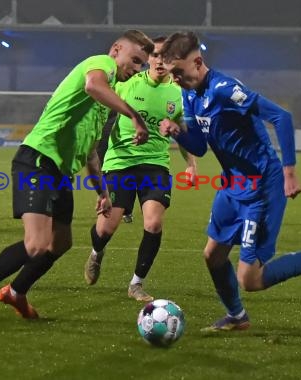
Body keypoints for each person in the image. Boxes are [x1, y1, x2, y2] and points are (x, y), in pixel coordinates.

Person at [158, 31, 301, 331]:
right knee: (213, 255)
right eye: (172, 74)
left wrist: (289, 172)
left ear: (198, 61)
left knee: (250, 279)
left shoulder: (224, 90)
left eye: (178, 72)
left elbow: (280, 117)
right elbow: (201, 147)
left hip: (261, 187)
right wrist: (178, 132)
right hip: (231, 185)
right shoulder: (189, 94)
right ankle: (237, 317)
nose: (175, 79)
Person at [0, 29, 154, 331]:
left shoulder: (105, 102)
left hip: (59, 173)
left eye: (142, 64)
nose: (137, 68)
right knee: (36, 244)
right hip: (37, 160)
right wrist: (135, 117)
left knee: (61, 242)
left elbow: (89, 153)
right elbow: (93, 85)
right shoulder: (100, 65)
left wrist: (103, 192)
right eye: (135, 60)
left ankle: (15, 292)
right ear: (117, 50)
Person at [84, 36, 197, 301]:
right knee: (105, 230)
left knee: (154, 223)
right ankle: (96, 253)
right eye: (155, 56)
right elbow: (102, 111)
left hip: (155, 164)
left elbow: (182, 132)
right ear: (149, 60)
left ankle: (136, 284)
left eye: (165, 58)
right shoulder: (127, 84)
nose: (160, 62)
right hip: (120, 162)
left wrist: (191, 164)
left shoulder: (179, 94)